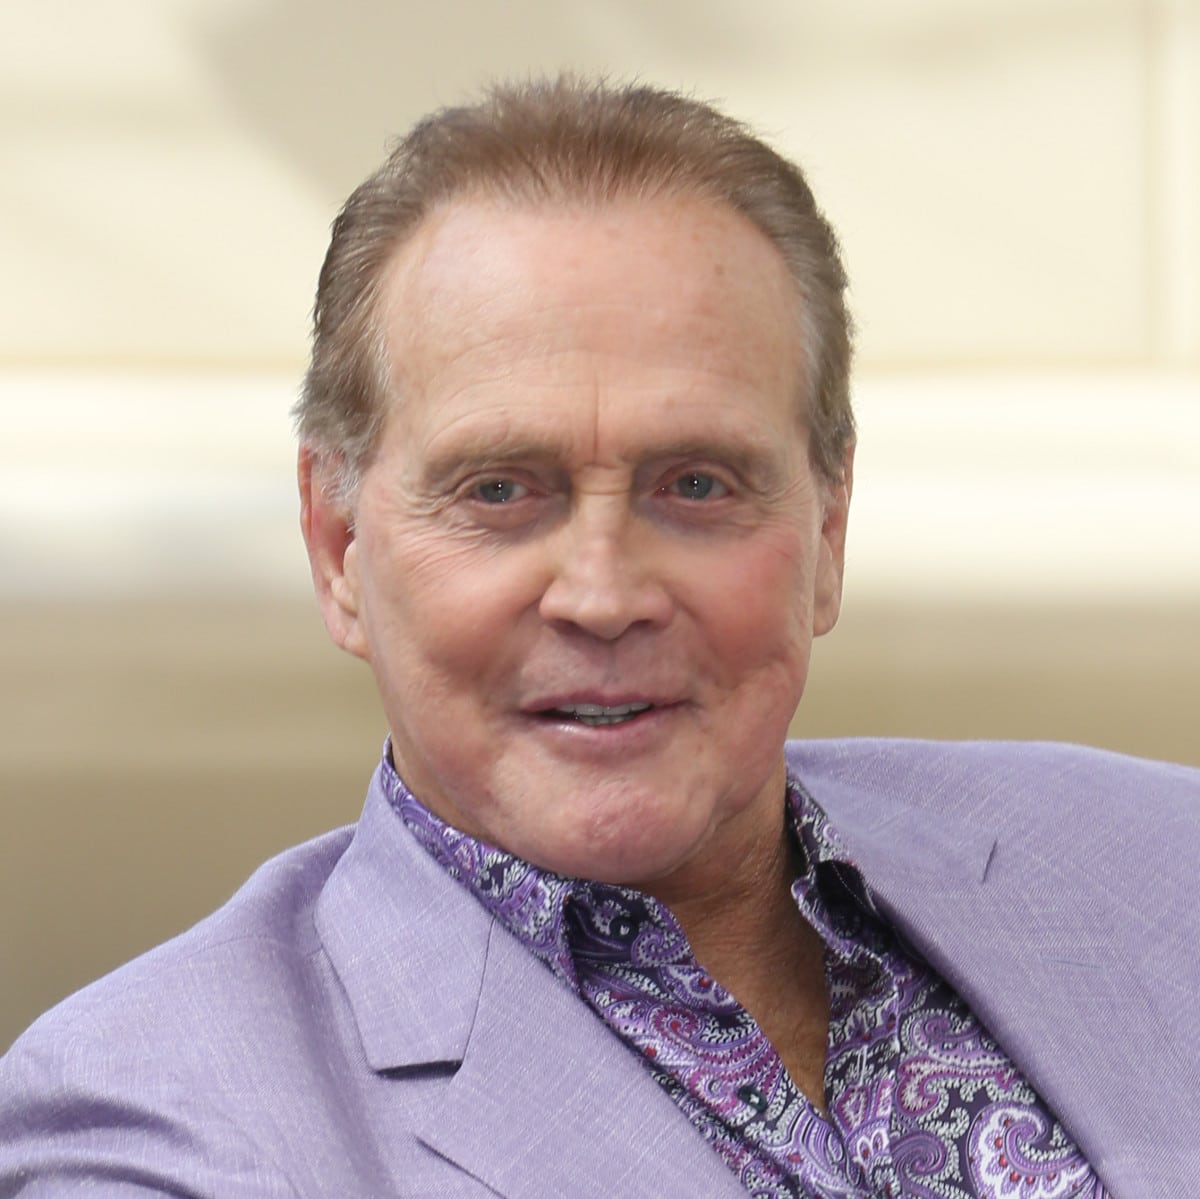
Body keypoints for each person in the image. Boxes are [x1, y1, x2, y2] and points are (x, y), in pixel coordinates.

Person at [1, 76, 1196, 1199]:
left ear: (828, 528)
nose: (604, 592)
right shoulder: (156, 1123)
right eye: (500, 491)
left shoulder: (1159, 865)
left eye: (697, 483)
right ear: (338, 545)